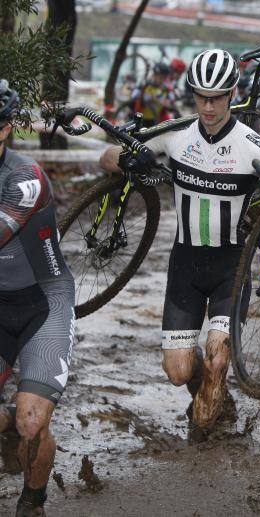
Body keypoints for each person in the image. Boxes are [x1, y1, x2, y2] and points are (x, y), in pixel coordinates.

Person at [99, 49, 260, 430]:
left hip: (231, 268)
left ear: (232, 94)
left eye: (217, 97)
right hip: (185, 265)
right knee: (177, 371)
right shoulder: (175, 133)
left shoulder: (252, 144)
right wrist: (127, 161)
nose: (208, 106)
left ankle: (210, 423)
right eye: (201, 97)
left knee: (218, 357)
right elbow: (105, 156)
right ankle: (212, 391)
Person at [0, 79, 76, 517]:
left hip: (42, 303)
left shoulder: (25, 177)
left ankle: (32, 503)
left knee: (32, 423)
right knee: (19, 419)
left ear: (5, 129)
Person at [130, 62, 177, 127]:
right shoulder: (144, 85)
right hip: (139, 118)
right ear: (154, 75)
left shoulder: (166, 88)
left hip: (154, 120)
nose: (162, 80)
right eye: (160, 77)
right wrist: (152, 98)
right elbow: (133, 97)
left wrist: (168, 104)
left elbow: (172, 103)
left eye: (164, 78)